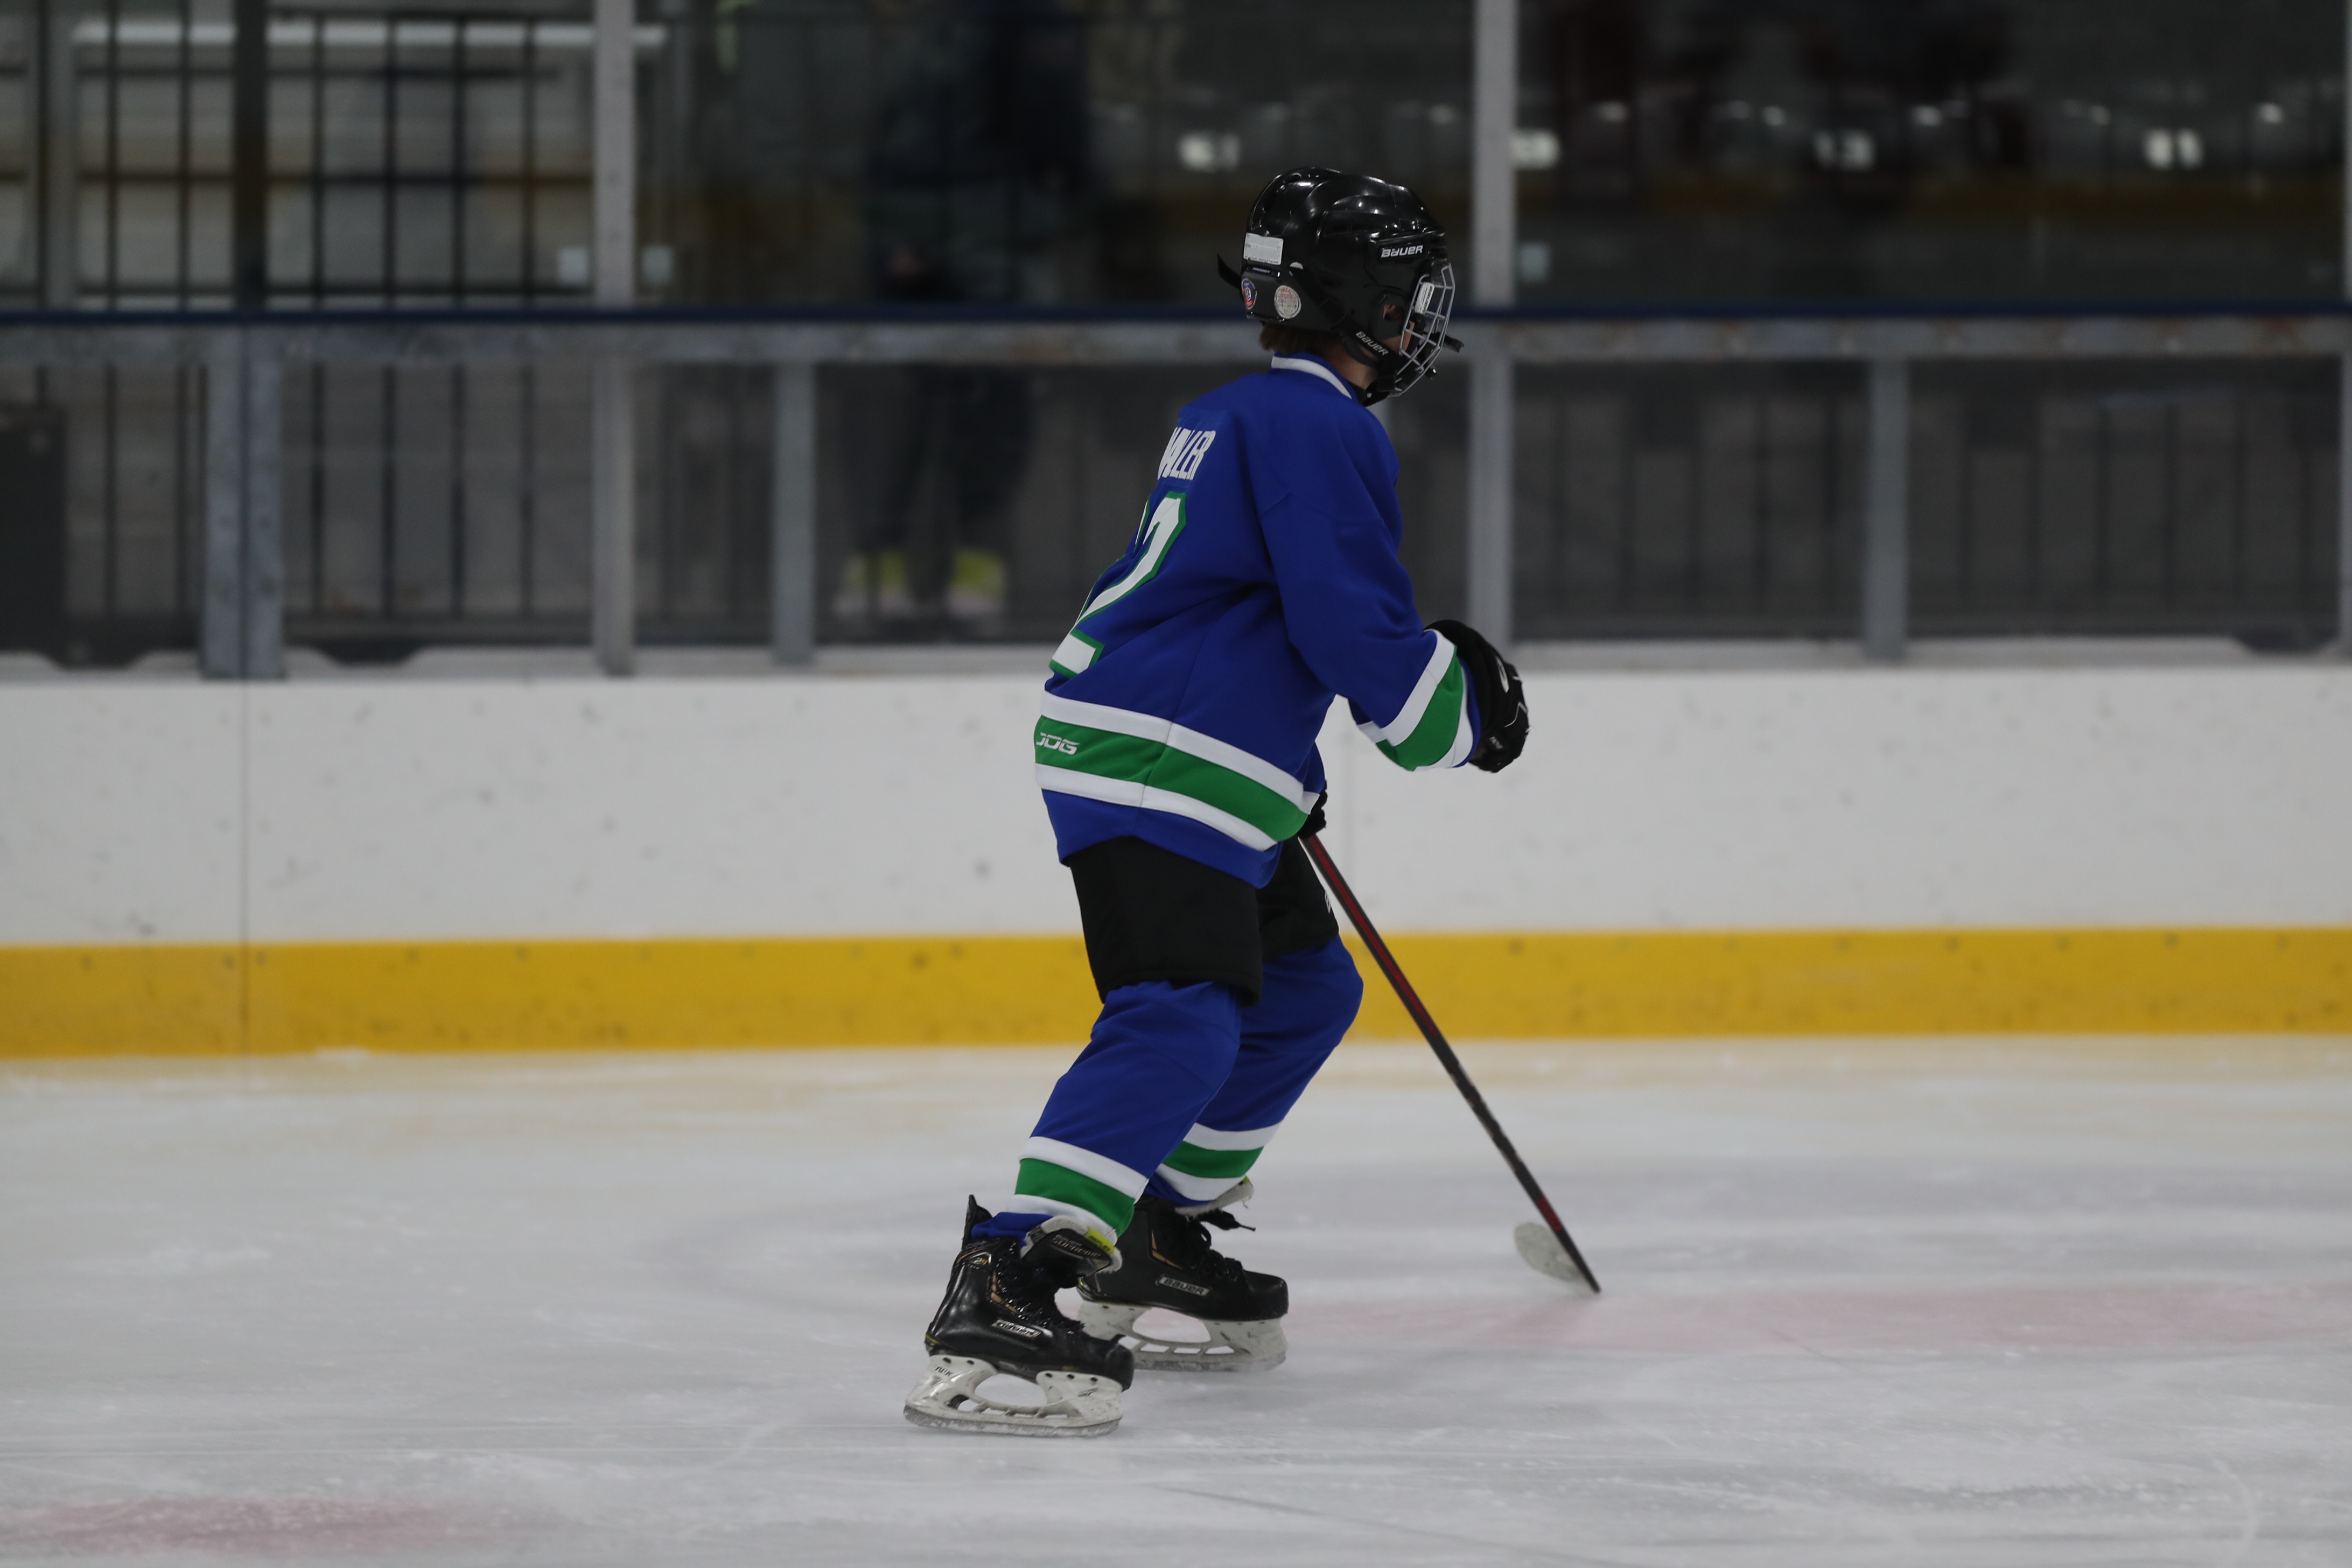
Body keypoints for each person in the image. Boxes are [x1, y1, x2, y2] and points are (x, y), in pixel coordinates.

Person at [903, 167, 1531, 1438]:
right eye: (1406, 290)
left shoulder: (1243, 414)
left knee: (1304, 988)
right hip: (1161, 754)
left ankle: (1153, 1227)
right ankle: (1011, 1272)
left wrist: (1285, 769)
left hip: (1195, 752)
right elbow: (1351, 627)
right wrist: (1464, 717)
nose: (1421, 313)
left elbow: (1236, 609)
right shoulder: (1316, 423)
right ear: (1357, 300)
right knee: (1180, 1016)